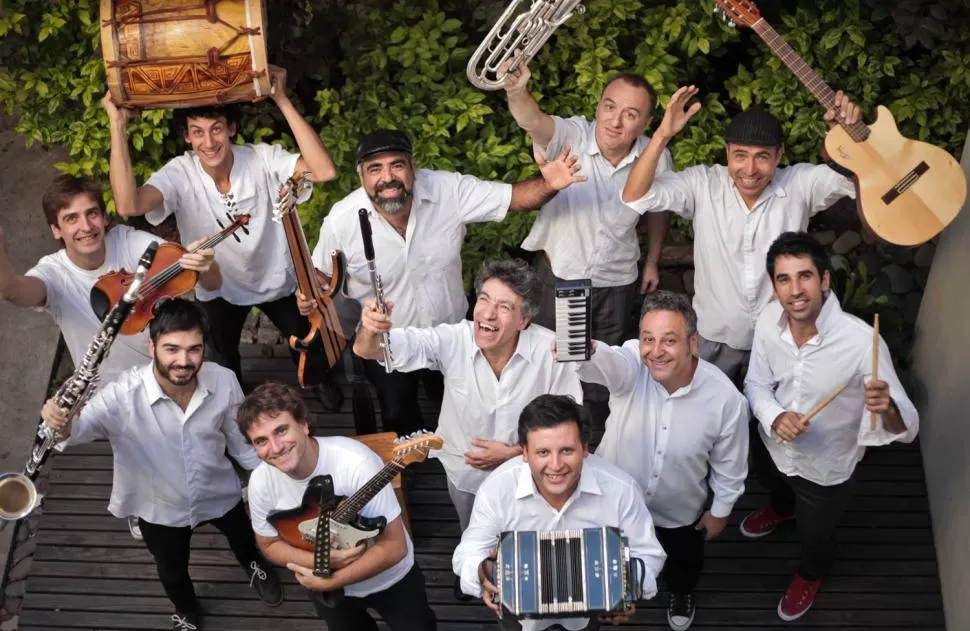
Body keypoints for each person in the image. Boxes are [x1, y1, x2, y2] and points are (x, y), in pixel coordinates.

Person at [304, 128, 585, 435]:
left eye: (397, 165)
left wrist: (549, 184)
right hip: (389, 341)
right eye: (375, 169)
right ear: (361, 177)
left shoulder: (447, 190)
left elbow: (515, 198)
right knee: (398, 416)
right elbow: (321, 277)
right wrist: (308, 295)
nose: (387, 178)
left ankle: (455, 450)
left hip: (450, 335)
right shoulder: (341, 220)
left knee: (460, 408)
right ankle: (414, 456)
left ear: (413, 167)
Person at [104, 66, 344, 410]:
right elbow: (129, 204)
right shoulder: (179, 173)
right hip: (218, 286)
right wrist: (117, 124)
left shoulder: (262, 158)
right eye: (197, 132)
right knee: (224, 357)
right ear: (187, 137)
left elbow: (324, 171)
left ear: (231, 129)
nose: (209, 142)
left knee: (307, 343)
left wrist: (281, 98)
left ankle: (319, 381)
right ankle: (236, 404)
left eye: (216, 129)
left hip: (277, 278)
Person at [39, 299, 282, 631]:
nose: (183, 361)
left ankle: (254, 565)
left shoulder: (224, 380)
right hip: (159, 508)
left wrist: (270, 481)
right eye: (172, 349)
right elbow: (78, 430)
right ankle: (186, 609)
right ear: (151, 347)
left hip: (218, 490)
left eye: (194, 349)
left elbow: (241, 444)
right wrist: (60, 423)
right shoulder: (122, 394)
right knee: (171, 570)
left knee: (243, 539)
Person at [1, 174, 218, 541]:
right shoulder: (53, 273)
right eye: (71, 219)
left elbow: (190, 269)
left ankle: (210, 490)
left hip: (168, 372)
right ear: (56, 230)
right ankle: (142, 508)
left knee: (193, 437)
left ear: (104, 217)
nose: (86, 226)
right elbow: (12, 290)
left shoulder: (129, 244)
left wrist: (199, 262)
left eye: (92, 214)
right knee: (136, 455)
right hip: (115, 390)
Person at [354, 258, 583, 598]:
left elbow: (569, 422)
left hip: (529, 473)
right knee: (471, 526)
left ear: (524, 320)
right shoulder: (454, 338)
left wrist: (515, 454)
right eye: (484, 299)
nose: (488, 313)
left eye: (504, 306)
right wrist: (371, 328)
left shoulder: (550, 350)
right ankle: (474, 570)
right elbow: (368, 350)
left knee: (524, 529)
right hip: (464, 473)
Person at [621, 85, 862, 383]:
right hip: (714, 338)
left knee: (775, 411)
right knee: (706, 409)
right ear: (727, 153)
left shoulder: (800, 183)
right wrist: (662, 135)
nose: (749, 169)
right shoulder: (703, 184)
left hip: (779, 340)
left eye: (762, 157)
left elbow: (858, 175)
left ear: (779, 155)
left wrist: (846, 134)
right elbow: (634, 196)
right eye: (740, 155)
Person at [742, 231, 919, 621]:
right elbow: (756, 383)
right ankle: (780, 509)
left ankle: (811, 574)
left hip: (825, 469)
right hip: (773, 445)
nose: (795, 290)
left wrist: (886, 408)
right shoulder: (768, 321)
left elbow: (906, 426)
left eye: (804, 276)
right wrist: (775, 417)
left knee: (815, 536)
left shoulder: (862, 343)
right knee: (772, 483)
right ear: (774, 287)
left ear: (824, 280)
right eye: (784, 279)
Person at [573, 290, 749, 630]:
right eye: (648, 339)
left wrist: (721, 511)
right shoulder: (632, 363)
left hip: (679, 513)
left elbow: (730, 464)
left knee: (684, 563)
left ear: (693, 343)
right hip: (614, 505)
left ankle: (680, 592)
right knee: (607, 559)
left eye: (669, 340)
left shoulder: (726, 400)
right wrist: (586, 349)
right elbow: (608, 363)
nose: (655, 351)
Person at [452, 394, 666, 631]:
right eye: (543, 452)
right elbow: (467, 552)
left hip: (590, 614)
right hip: (519, 619)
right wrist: (482, 571)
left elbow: (649, 553)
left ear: (584, 448)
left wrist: (630, 588)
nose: (555, 465)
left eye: (566, 450)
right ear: (524, 452)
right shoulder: (497, 489)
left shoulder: (621, 490)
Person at [238, 381, 437, 631]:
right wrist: (319, 561)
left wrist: (334, 579)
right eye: (261, 441)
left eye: (281, 430)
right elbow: (268, 544)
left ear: (304, 424)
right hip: (323, 584)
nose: (276, 448)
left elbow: (395, 547)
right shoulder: (260, 482)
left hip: (390, 580)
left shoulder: (357, 463)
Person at [504, 63, 673, 345]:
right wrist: (516, 91)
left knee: (606, 363)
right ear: (598, 106)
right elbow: (532, 121)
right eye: (609, 107)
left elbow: (659, 210)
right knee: (558, 359)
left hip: (617, 280)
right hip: (565, 276)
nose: (615, 121)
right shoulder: (571, 136)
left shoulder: (656, 156)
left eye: (630, 114)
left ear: (646, 123)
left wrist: (652, 262)